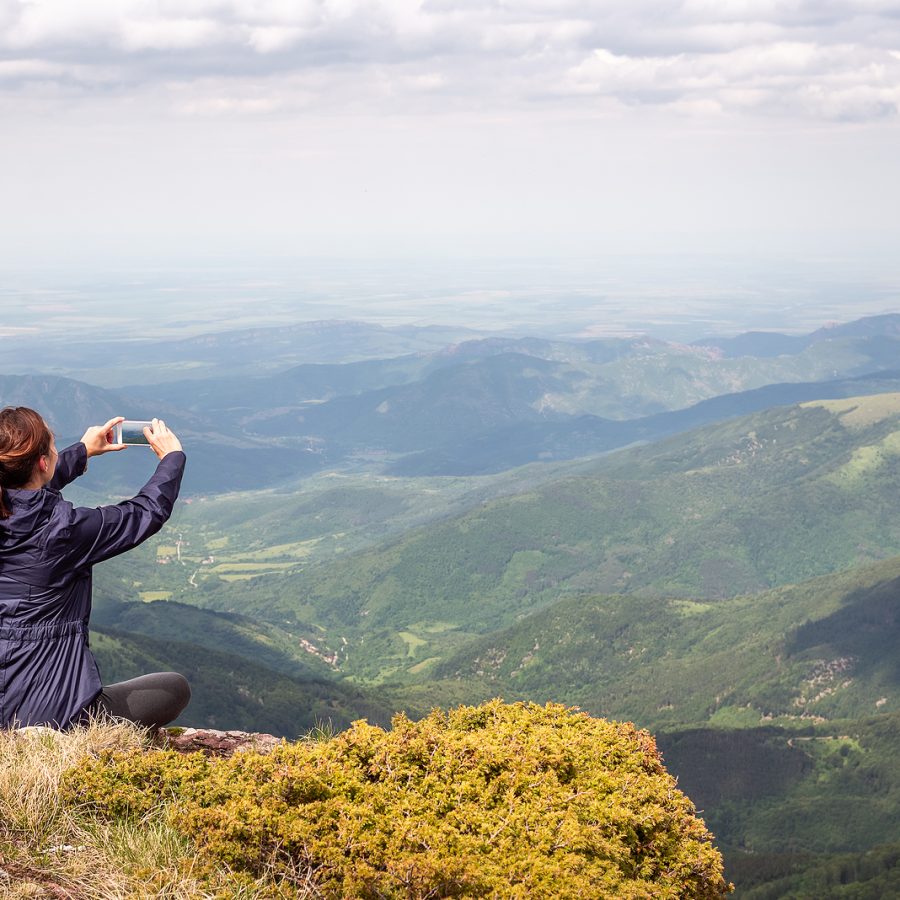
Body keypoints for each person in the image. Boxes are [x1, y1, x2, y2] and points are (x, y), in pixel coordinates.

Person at [0, 407, 190, 730]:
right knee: (174, 688)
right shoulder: (63, 531)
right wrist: (172, 459)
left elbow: (25, 494)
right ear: (44, 462)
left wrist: (84, 451)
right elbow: (144, 513)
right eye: (53, 446)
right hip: (56, 715)